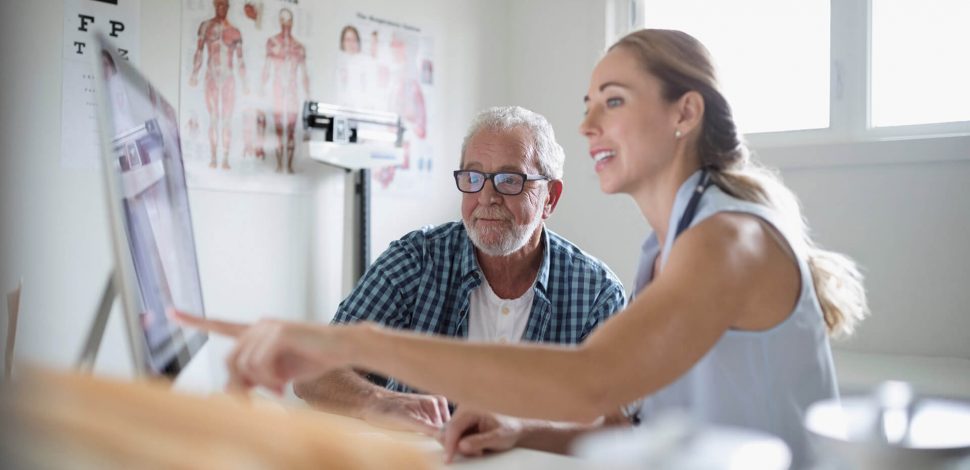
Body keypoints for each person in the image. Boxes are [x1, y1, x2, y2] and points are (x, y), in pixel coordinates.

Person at [175, 29, 869, 468]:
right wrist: (516, 431)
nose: (589, 119)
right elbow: (633, 427)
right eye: (589, 100)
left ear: (685, 114)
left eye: (614, 101)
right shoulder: (668, 250)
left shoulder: (726, 239)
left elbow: (592, 382)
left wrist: (353, 341)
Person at [288, 106, 626, 436]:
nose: (487, 197)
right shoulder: (416, 260)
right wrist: (376, 401)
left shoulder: (596, 293)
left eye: (510, 180)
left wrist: (520, 430)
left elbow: (616, 422)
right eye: (473, 177)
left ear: (550, 198)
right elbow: (312, 372)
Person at [189, 0, 248, 170]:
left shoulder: (235, 32)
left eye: (225, 5)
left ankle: (226, 158)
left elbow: (241, 60)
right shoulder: (206, 27)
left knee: (227, 120)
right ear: (215, 5)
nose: (222, 8)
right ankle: (214, 157)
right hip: (211, 77)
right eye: (219, 5)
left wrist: (245, 83)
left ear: (228, 7)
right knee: (214, 118)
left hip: (229, 78)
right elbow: (199, 52)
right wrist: (194, 74)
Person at [260, 8, 310, 174]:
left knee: (291, 132)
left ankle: (288, 166)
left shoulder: (299, 48)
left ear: (292, 22)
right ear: (280, 22)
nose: (286, 24)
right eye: (283, 20)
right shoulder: (272, 43)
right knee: (278, 131)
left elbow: (304, 75)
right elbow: (266, 71)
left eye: (288, 21)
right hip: (277, 92)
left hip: (293, 93)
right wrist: (260, 94)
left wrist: (309, 99)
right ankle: (279, 165)